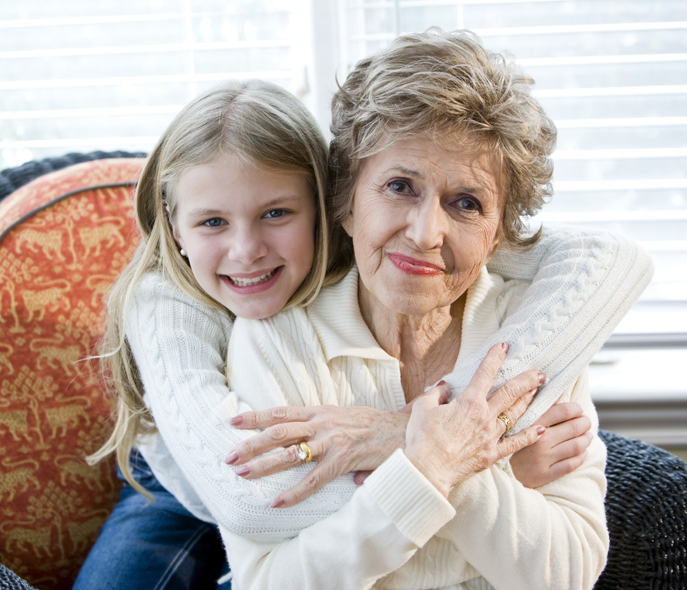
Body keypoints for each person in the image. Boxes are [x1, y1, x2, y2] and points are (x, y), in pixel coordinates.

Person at [75, 64, 651, 589]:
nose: (246, 249)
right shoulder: (186, 309)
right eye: (399, 187)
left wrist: (424, 450)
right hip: (183, 476)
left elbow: (565, 573)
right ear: (346, 203)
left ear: (321, 205)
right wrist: (457, 454)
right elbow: (251, 501)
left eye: (276, 213)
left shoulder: (530, 330)